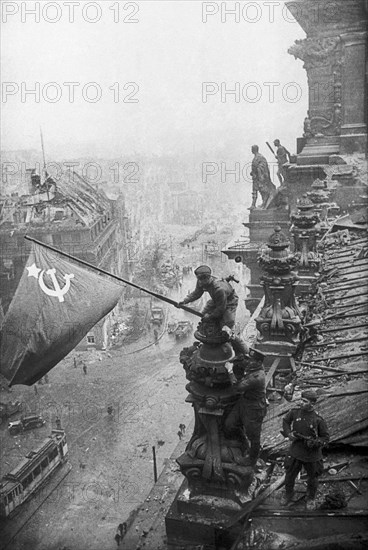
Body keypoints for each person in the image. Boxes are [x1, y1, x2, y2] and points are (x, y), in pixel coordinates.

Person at [281, 389, 329, 510]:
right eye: (301, 400)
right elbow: (286, 421)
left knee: (313, 478)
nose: (301, 403)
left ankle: (311, 498)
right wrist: (288, 434)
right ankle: (288, 494)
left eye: (305, 401)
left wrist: (315, 443)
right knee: (290, 474)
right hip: (296, 449)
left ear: (312, 403)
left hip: (311, 453)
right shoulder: (295, 412)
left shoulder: (318, 419)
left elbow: (325, 437)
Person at [224, 348, 267, 469]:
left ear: (258, 362)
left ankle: (252, 459)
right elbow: (243, 360)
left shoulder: (257, 377)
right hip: (244, 402)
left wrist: (230, 371)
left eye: (252, 360)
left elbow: (238, 387)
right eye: (250, 358)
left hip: (254, 407)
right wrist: (233, 359)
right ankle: (243, 443)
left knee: (254, 435)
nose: (249, 361)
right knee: (230, 424)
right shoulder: (255, 366)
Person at [178, 265, 238, 330]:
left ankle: (233, 335)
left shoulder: (218, 289)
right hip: (217, 299)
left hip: (229, 300)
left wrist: (210, 315)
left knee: (228, 321)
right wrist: (185, 301)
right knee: (204, 314)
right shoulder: (201, 280)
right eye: (199, 279)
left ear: (208, 278)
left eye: (202, 280)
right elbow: (197, 293)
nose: (200, 283)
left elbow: (221, 308)